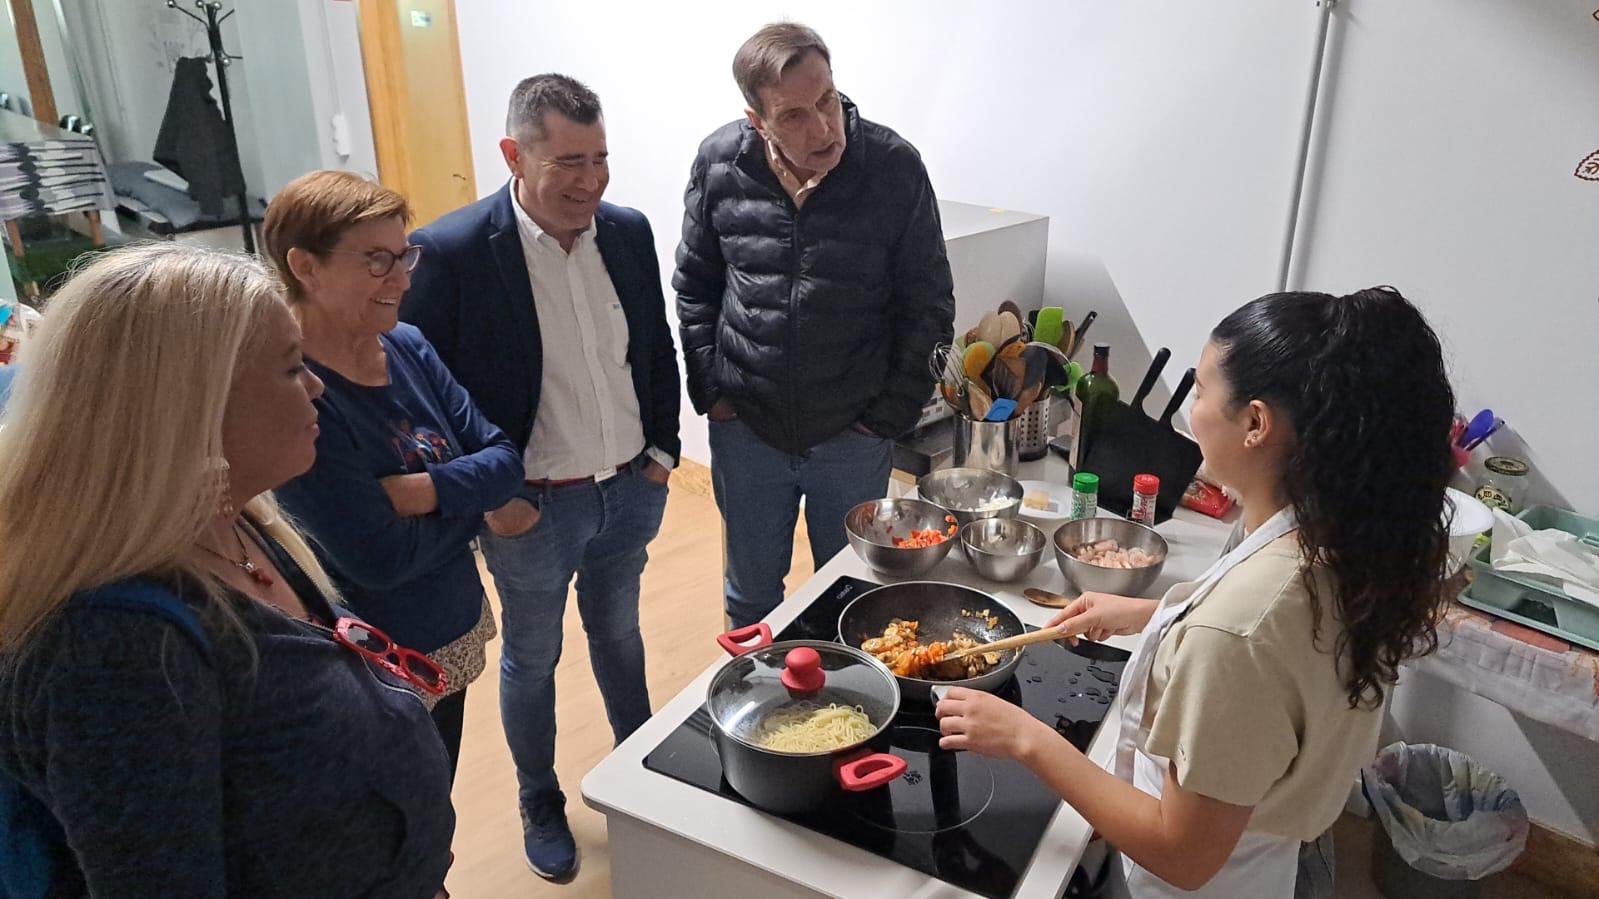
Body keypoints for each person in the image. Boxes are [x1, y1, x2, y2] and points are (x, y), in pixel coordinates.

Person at [936, 287, 1457, 896]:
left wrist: (1026, 738)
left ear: (1256, 423)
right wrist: (1156, 612)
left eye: (1202, 392)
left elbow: (1182, 854)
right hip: (1273, 860)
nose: (1192, 411)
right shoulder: (1343, 535)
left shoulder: (1237, 633)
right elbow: (1280, 653)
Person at [0, 244, 454, 897]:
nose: (317, 386)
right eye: (292, 366)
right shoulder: (115, 652)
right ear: (186, 407)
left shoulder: (235, 520)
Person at [401, 73, 680, 881]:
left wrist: (661, 454)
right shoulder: (451, 252)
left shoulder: (625, 231)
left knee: (619, 630)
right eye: (568, 162)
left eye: (600, 158)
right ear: (513, 155)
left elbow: (653, 348)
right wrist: (492, 501)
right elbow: (421, 398)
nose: (590, 181)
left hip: (630, 487)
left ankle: (639, 775)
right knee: (532, 655)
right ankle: (539, 797)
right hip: (531, 507)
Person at [675, 22, 955, 628]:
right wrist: (713, 395)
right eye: (794, 116)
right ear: (757, 120)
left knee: (852, 597)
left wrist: (886, 417)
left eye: (826, 100)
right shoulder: (719, 162)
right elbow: (696, 286)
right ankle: (757, 692)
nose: (824, 128)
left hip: (853, 435)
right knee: (750, 599)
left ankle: (845, 694)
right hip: (747, 428)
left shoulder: (892, 166)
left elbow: (929, 305)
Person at [264, 170, 526, 781]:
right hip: (372, 670)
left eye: (404, 256)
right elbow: (378, 559)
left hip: (450, 638)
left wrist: (426, 491)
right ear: (305, 266)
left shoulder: (408, 345)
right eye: (377, 260)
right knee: (399, 815)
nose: (403, 279)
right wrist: (473, 504)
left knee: (439, 793)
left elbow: (505, 460)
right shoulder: (296, 393)